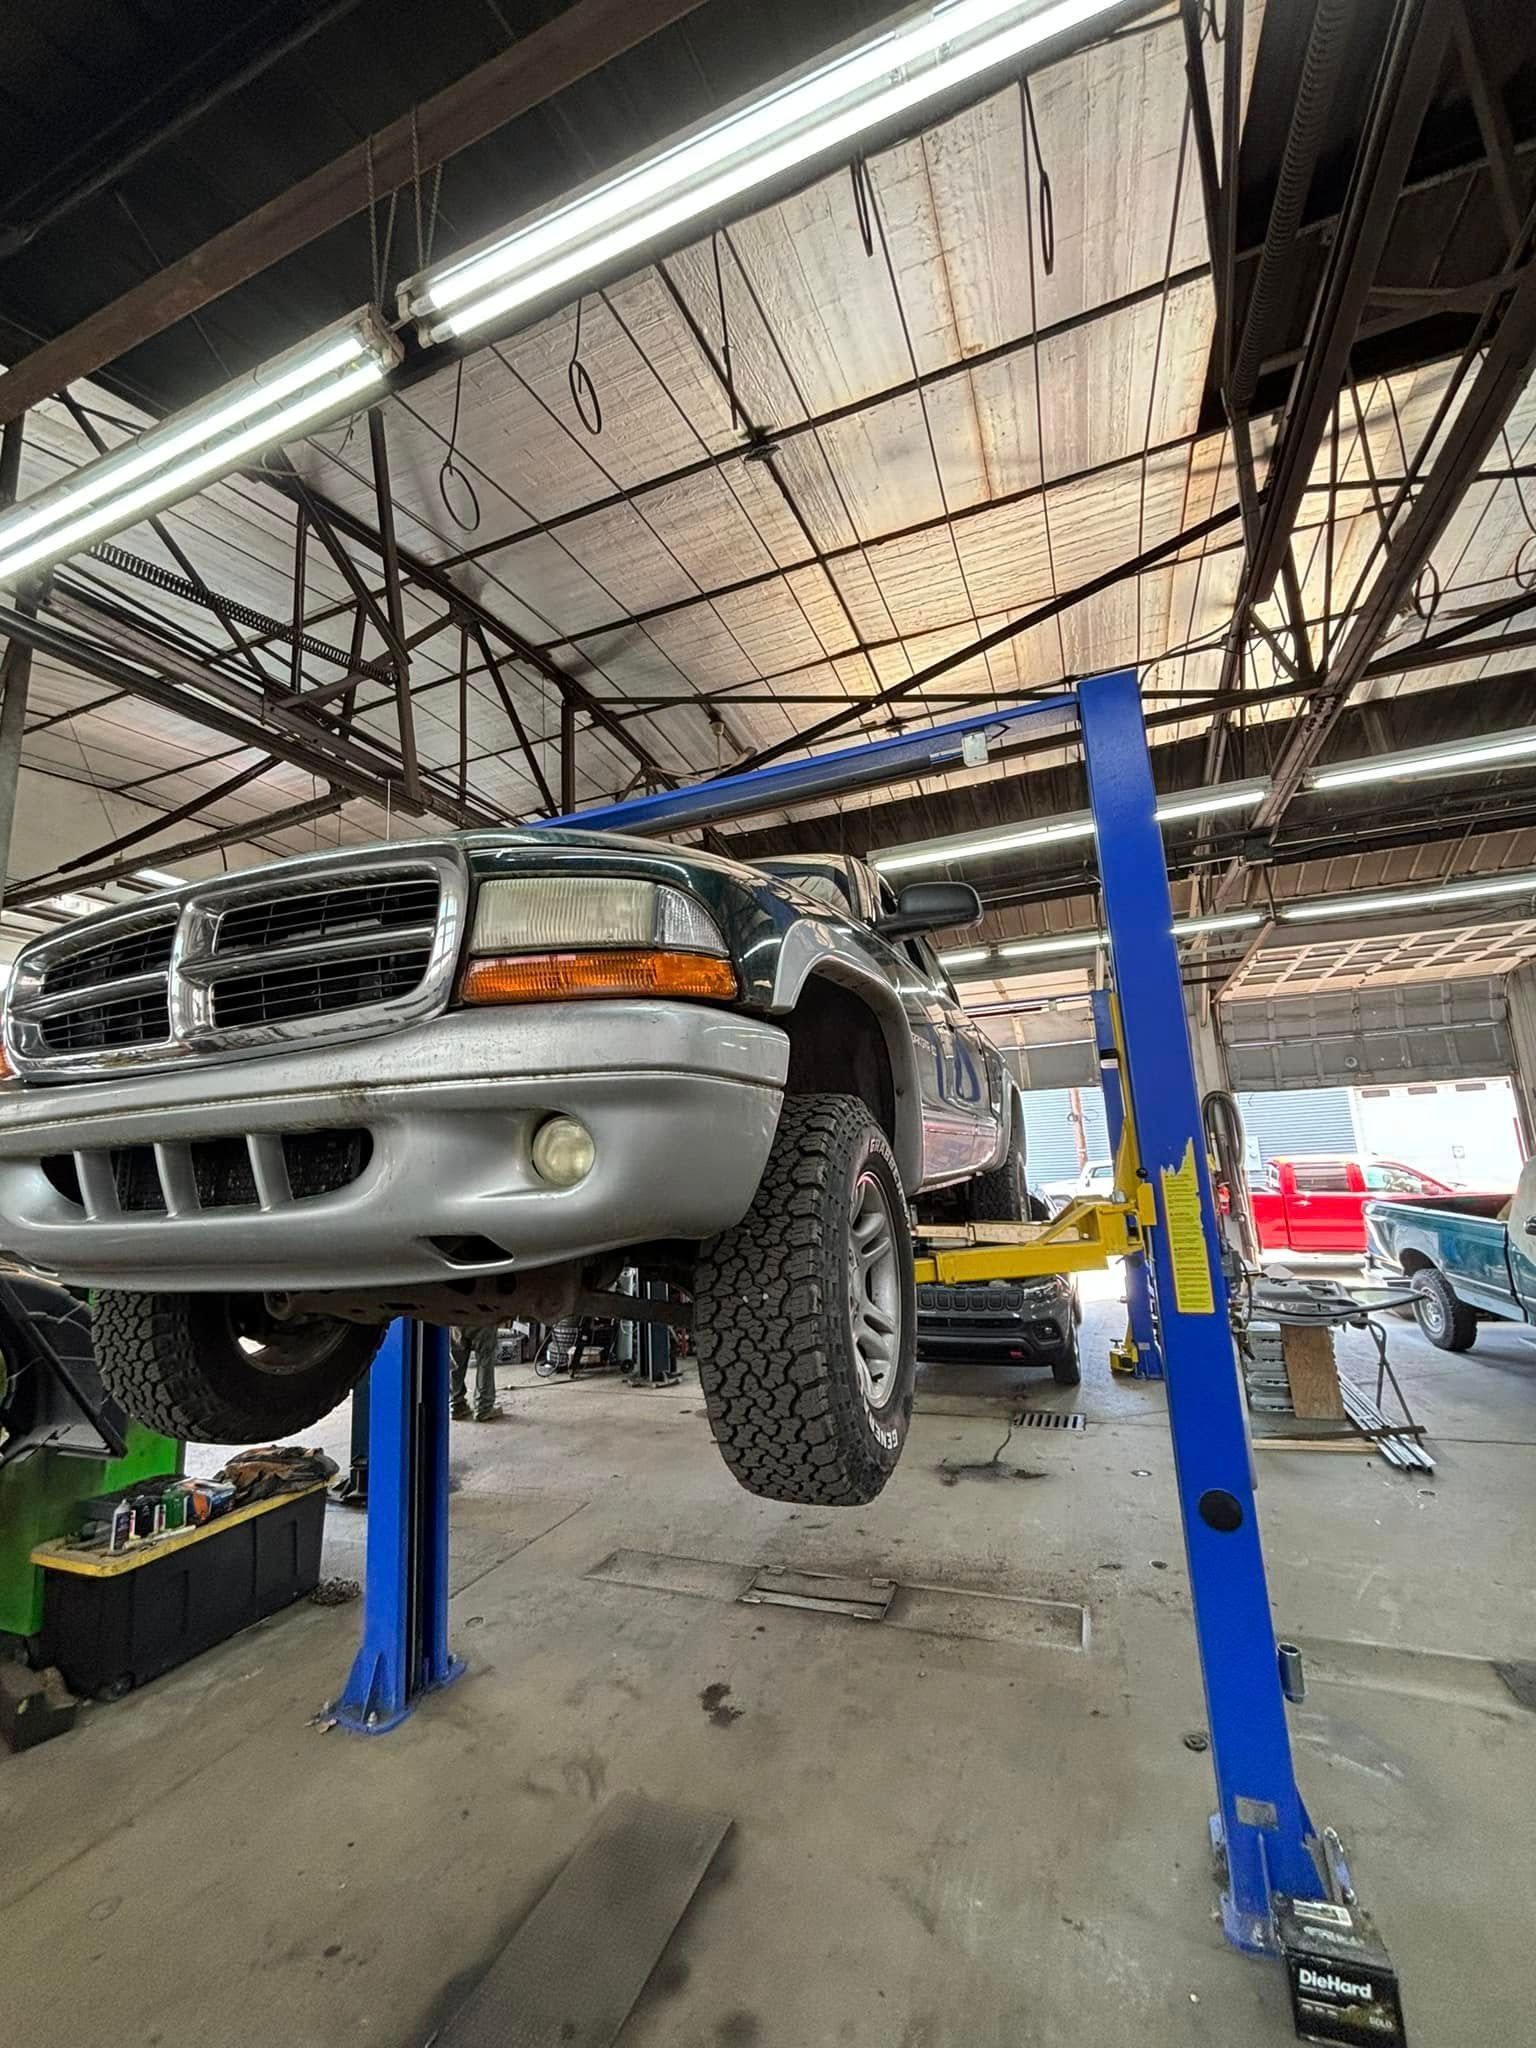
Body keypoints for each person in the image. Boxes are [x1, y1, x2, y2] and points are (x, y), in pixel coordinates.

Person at [450, 1324, 503, 1422]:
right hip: (482, 1317)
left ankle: (456, 1405)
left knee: (456, 1360)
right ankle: (484, 1409)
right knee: (485, 1361)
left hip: (456, 1316)